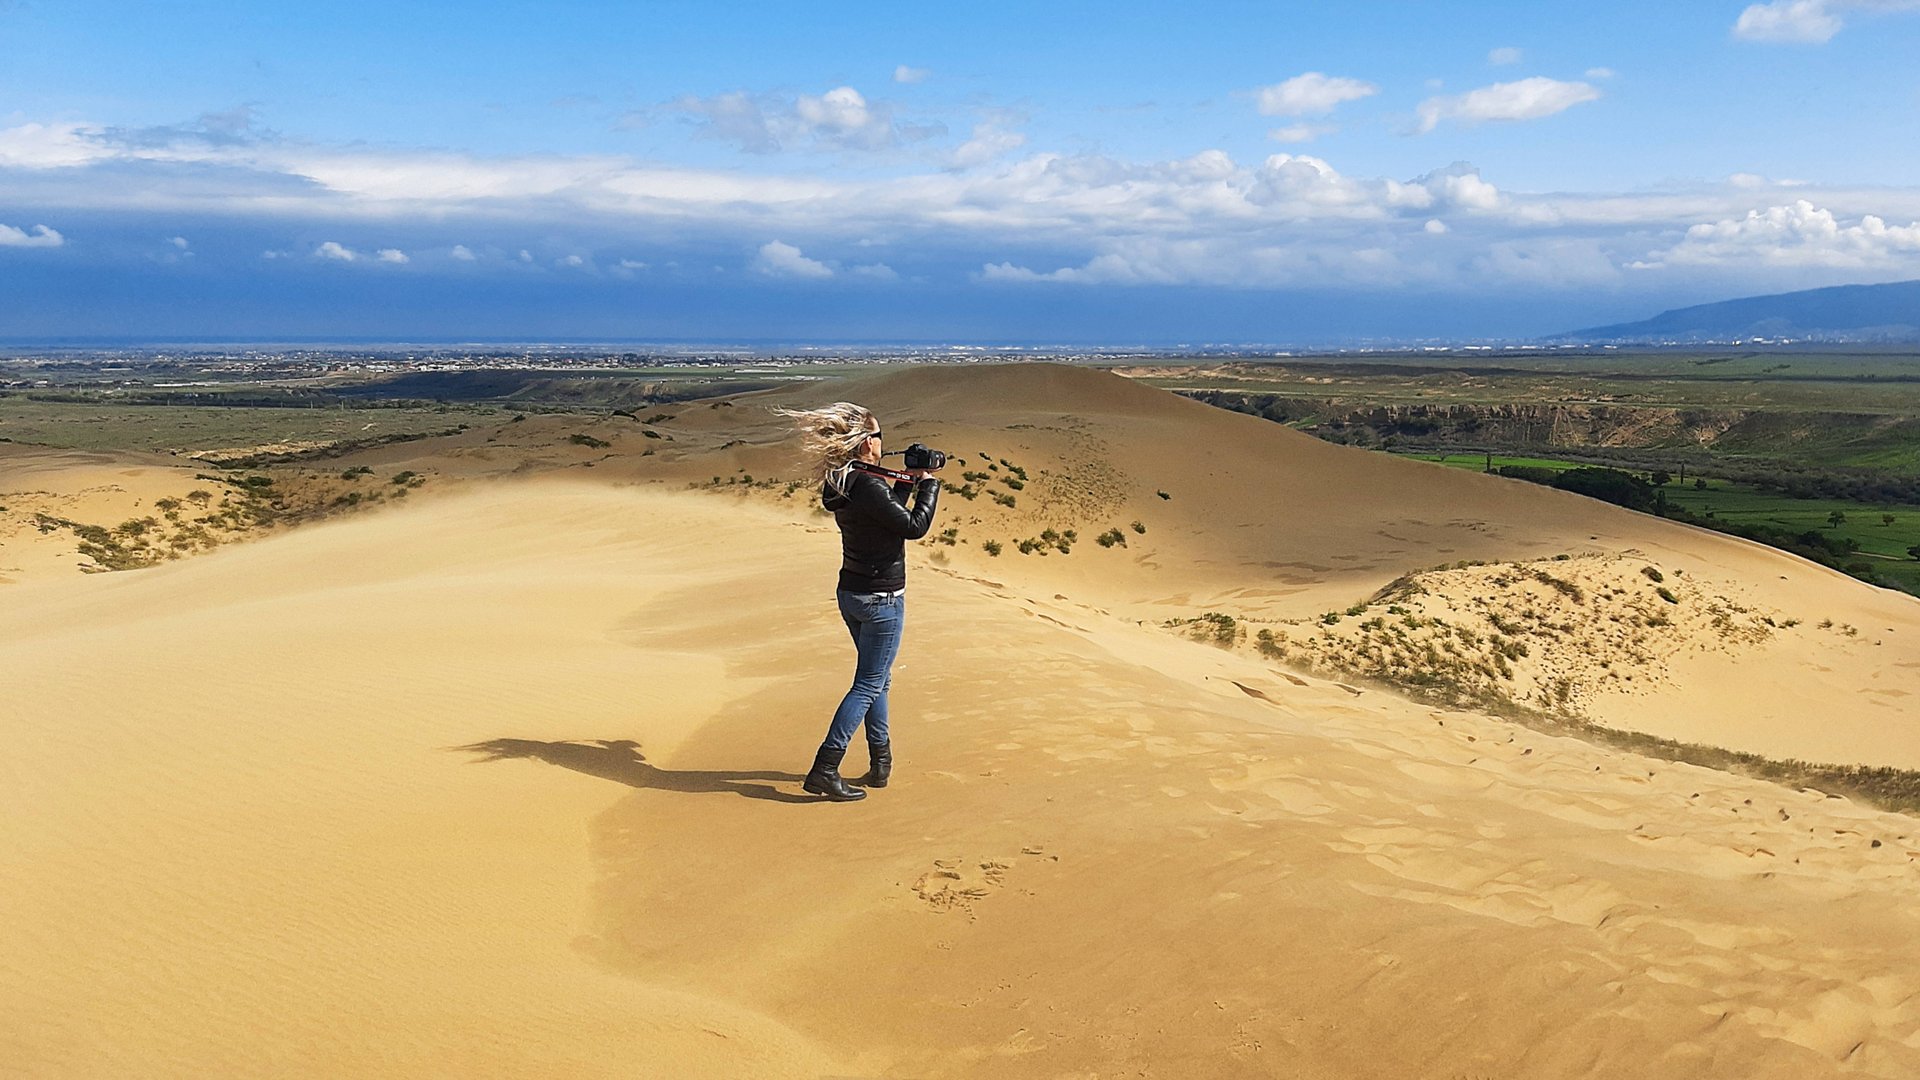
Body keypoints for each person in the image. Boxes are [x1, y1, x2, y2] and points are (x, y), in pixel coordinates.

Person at [777, 402, 941, 802]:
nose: (884, 443)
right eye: (879, 435)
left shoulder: (844, 481)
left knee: (877, 678)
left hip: (852, 592)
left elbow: (882, 512)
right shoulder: (866, 484)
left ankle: (881, 763)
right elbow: (913, 527)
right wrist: (930, 485)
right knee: (868, 683)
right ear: (866, 443)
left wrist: (907, 482)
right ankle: (825, 767)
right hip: (881, 597)